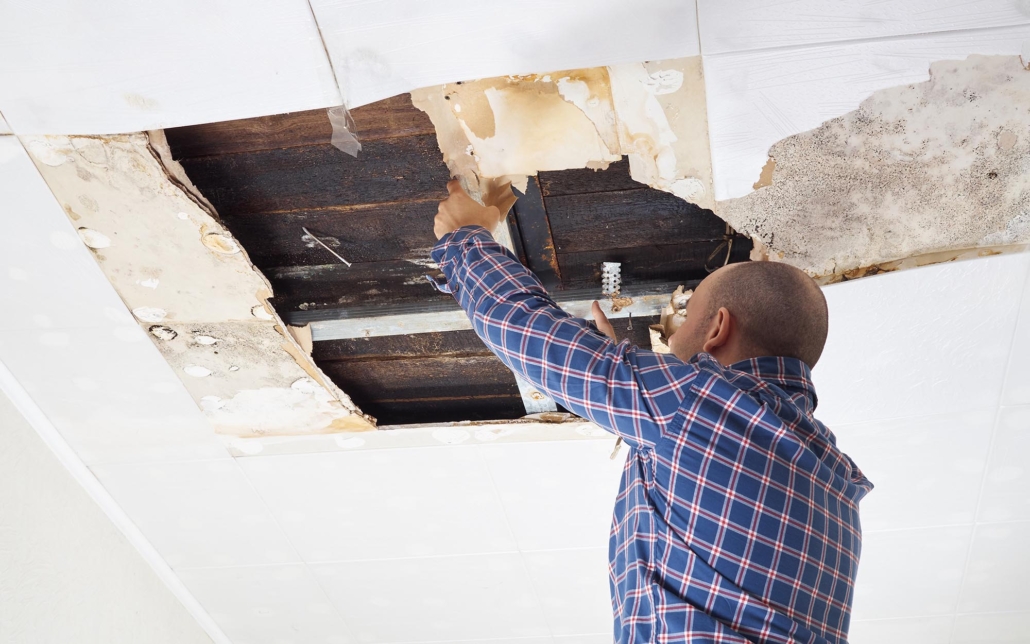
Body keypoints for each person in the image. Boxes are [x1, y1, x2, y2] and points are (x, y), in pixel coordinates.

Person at [430, 180, 873, 644]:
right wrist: (633, 390)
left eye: (685, 319)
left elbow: (521, 326)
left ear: (718, 328)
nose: (673, 338)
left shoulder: (699, 408)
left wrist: (466, 236)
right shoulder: (833, 483)